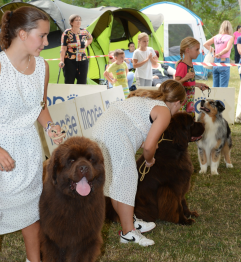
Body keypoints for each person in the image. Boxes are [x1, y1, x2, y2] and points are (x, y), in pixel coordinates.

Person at [0, 6, 65, 262]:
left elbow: (40, 105)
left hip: (29, 149)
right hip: (2, 149)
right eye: (43, 36)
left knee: (31, 210)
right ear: (22, 33)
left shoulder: (43, 67)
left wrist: (50, 127)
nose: (47, 42)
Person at [91, 80, 186, 246]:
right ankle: (128, 233)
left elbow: (146, 136)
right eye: (181, 106)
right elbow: (149, 147)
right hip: (114, 134)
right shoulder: (164, 112)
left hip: (100, 131)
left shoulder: (149, 99)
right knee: (127, 180)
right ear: (177, 103)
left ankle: (130, 222)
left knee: (116, 182)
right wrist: (149, 160)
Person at [175, 37, 209, 117]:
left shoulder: (190, 65)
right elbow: (176, 84)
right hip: (182, 105)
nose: (199, 52)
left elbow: (187, 83)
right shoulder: (182, 65)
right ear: (187, 50)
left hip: (190, 104)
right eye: (197, 49)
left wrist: (198, 85)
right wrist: (185, 78)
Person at [59, 14, 93, 84]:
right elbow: (63, 48)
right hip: (70, 61)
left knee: (82, 82)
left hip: (83, 60)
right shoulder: (66, 33)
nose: (79, 22)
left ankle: (81, 95)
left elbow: (90, 38)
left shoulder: (84, 31)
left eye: (80, 20)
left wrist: (85, 45)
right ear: (71, 23)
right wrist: (61, 61)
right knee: (69, 82)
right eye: (76, 20)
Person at [204, 20, 234, 87]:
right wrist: (220, 53)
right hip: (224, 62)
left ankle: (214, 98)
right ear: (230, 28)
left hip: (215, 62)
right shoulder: (230, 37)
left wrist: (213, 50)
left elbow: (205, 44)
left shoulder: (216, 37)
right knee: (223, 88)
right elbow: (227, 49)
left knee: (215, 87)